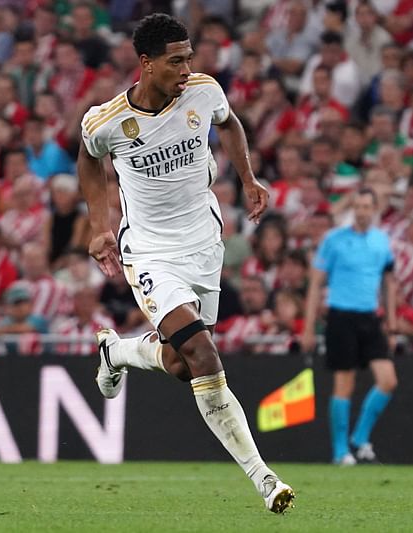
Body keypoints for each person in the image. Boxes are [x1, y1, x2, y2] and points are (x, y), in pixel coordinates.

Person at [76, 14, 293, 513]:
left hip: (203, 244)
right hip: (150, 251)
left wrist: (248, 178)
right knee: (202, 355)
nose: (187, 68)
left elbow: (231, 123)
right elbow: (88, 158)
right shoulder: (107, 121)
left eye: (189, 58)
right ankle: (263, 478)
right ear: (146, 64)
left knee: (179, 363)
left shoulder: (203, 91)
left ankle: (120, 354)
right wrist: (99, 225)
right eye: (176, 60)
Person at [301, 188, 398, 465]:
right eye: (358, 206)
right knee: (344, 384)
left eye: (367, 206)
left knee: (388, 380)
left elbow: (388, 282)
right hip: (341, 317)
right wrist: (308, 328)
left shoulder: (382, 241)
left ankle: (359, 437)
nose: (362, 211)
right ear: (352, 209)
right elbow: (316, 283)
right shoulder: (334, 240)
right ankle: (340, 451)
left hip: (369, 317)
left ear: (375, 209)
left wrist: (391, 321)